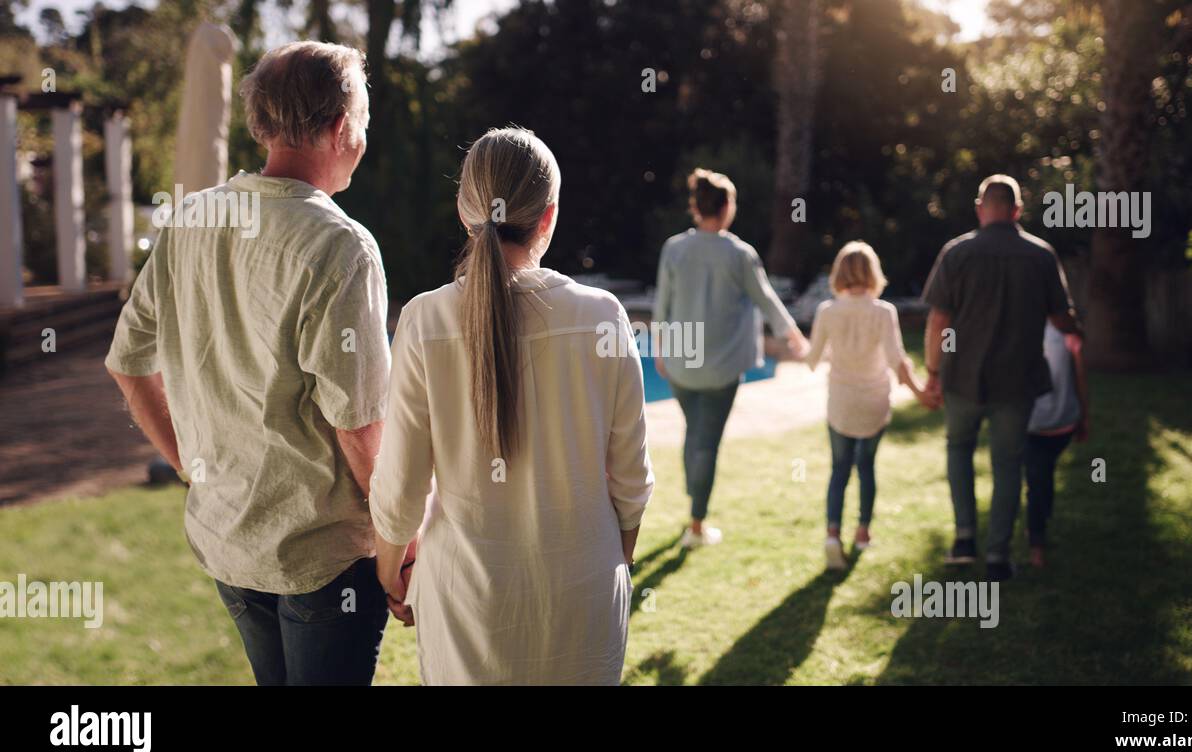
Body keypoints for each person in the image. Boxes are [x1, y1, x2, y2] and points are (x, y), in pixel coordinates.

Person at [104, 42, 393, 684]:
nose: (365, 137)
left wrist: (185, 461)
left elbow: (128, 362)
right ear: (340, 126)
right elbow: (359, 425)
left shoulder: (190, 220)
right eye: (365, 120)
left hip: (226, 544)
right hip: (322, 556)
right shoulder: (341, 245)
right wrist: (406, 540)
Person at [367, 128, 654, 685]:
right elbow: (631, 481)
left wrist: (391, 577)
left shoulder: (425, 321)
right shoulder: (602, 316)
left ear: (463, 210)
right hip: (583, 600)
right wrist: (615, 561)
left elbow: (400, 490)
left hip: (469, 604)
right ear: (548, 218)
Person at [919, 174, 1080, 582]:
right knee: (1008, 464)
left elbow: (939, 319)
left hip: (962, 378)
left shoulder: (956, 253)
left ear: (980, 208)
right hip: (1017, 379)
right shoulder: (1041, 255)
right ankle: (997, 556)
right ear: (1017, 211)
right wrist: (1077, 327)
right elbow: (1061, 317)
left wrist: (933, 372)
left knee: (959, 450)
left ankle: (963, 540)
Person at [653, 168, 809, 548]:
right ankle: (696, 524)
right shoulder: (740, 254)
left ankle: (694, 504)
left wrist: (660, 351)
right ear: (725, 208)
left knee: (694, 435)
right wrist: (793, 336)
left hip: (680, 367)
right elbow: (767, 299)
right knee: (707, 442)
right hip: (723, 370)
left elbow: (662, 306)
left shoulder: (674, 248)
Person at [806, 242, 925, 570]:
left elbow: (812, 360)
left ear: (839, 274)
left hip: (841, 402)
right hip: (874, 401)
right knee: (867, 467)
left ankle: (832, 534)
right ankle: (862, 533)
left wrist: (799, 345)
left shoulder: (827, 311)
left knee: (839, 470)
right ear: (873, 273)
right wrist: (921, 391)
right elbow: (897, 361)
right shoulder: (884, 312)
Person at [1024, 323, 1089, 568]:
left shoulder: (1065, 331)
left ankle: (1037, 536)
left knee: (1040, 477)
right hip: (1031, 423)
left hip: (1060, 421)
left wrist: (1084, 416)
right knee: (1038, 479)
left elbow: (1080, 376)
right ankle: (1036, 538)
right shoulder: (1020, 325)